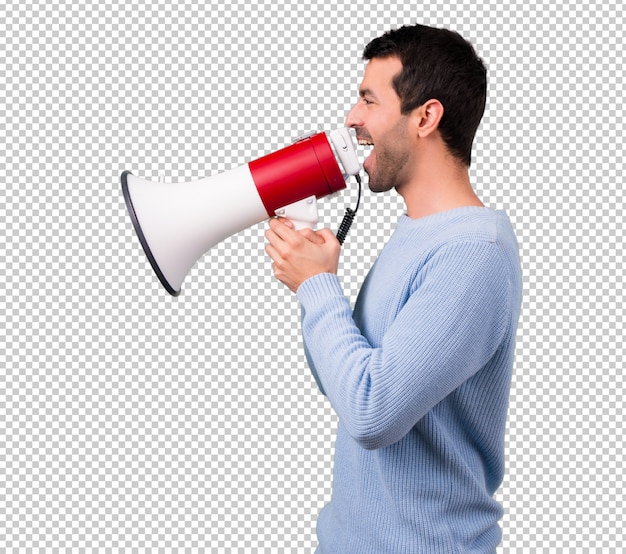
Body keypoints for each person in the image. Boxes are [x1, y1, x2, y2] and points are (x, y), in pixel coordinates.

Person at [265, 24, 522, 553]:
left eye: (367, 99)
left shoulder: (474, 251)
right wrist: (313, 278)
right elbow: (342, 381)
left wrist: (318, 286)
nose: (351, 118)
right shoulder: (415, 232)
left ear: (425, 117)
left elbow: (371, 413)